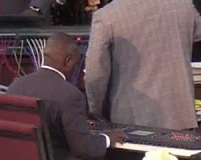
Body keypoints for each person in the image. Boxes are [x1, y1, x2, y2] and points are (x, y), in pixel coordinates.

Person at [85, 0, 201, 129]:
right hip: (181, 117)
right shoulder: (181, 0)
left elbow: (95, 74)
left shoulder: (106, 16)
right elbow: (198, 33)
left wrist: (96, 111)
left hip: (132, 123)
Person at [7, 32, 120, 160]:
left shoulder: (15, 86)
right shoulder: (70, 95)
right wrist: (108, 138)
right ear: (68, 60)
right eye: (76, 64)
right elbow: (83, 148)